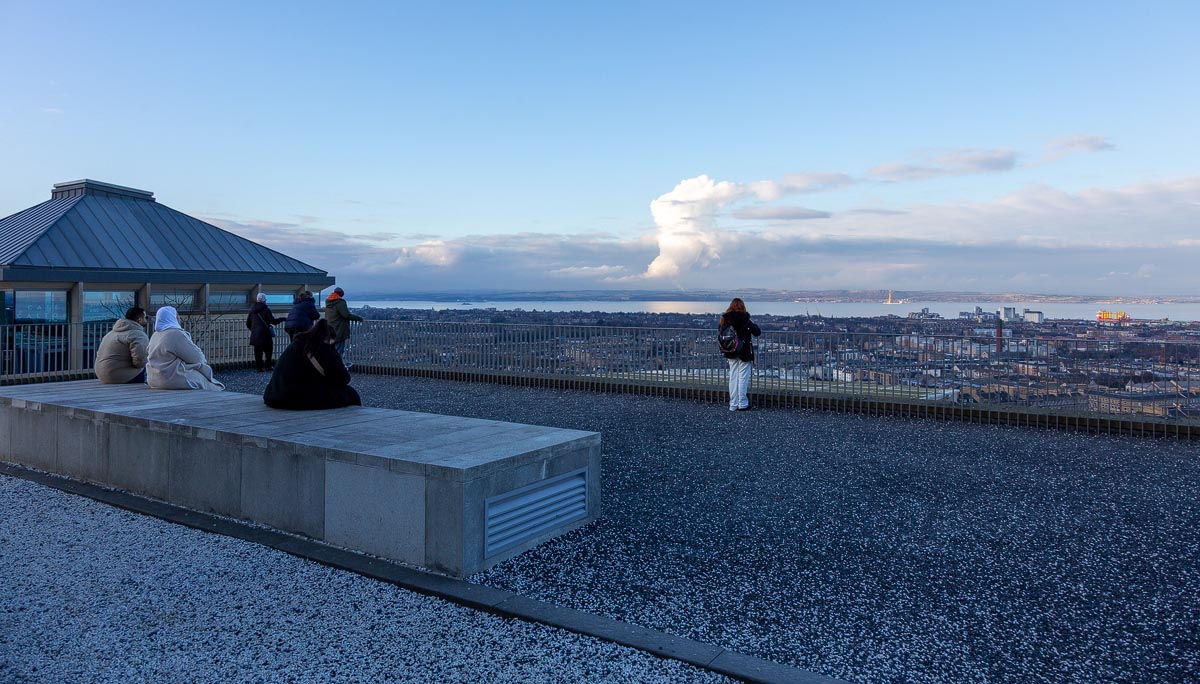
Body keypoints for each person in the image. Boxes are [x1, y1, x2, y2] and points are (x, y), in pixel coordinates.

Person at [263, 319, 362, 410]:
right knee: (350, 394)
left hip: (273, 396)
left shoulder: (296, 345)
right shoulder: (324, 349)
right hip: (293, 399)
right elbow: (343, 378)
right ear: (330, 339)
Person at [146, 306, 225, 391]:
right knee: (213, 387)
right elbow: (197, 358)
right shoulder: (176, 334)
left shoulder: (155, 335)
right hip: (173, 378)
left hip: (154, 380)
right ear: (174, 317)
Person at [720, 297, 761, 411]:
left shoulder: (725, 319)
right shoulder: (744, 319)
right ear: (742, 306)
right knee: (742, 378)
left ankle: (733, 404)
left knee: (733, 377)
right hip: (744, 352)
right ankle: (742, 403)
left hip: (730, 351)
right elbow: (757, 332)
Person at [95, 307, 150, 384]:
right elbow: (140, 362)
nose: (147, 320)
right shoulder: (138, 335)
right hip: (119, 376)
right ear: (140, 319)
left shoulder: (111, 333)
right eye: (146, 317)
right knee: (155, 370)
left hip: (102, 374)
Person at [324, 287, 363, 364]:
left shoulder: (329, 302)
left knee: (331, 349)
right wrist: (359, 318)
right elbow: (346, 315)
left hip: (330, 328)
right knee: (339, 349)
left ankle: (329, 365)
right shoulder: (339, 302)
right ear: (341, 293)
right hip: (339, 329)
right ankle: (337, 366)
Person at [246, 293, 283, 372]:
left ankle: (259, 368)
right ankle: (268, 366)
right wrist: (282, 319)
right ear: (264, 301)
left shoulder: (252, 310)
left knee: (257, 353)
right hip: (265, 335)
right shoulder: (266, 309)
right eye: (265, 300)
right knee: (268, 351)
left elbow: (248, 323)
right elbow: (273, 321)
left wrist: (254, 330)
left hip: (255, 335)